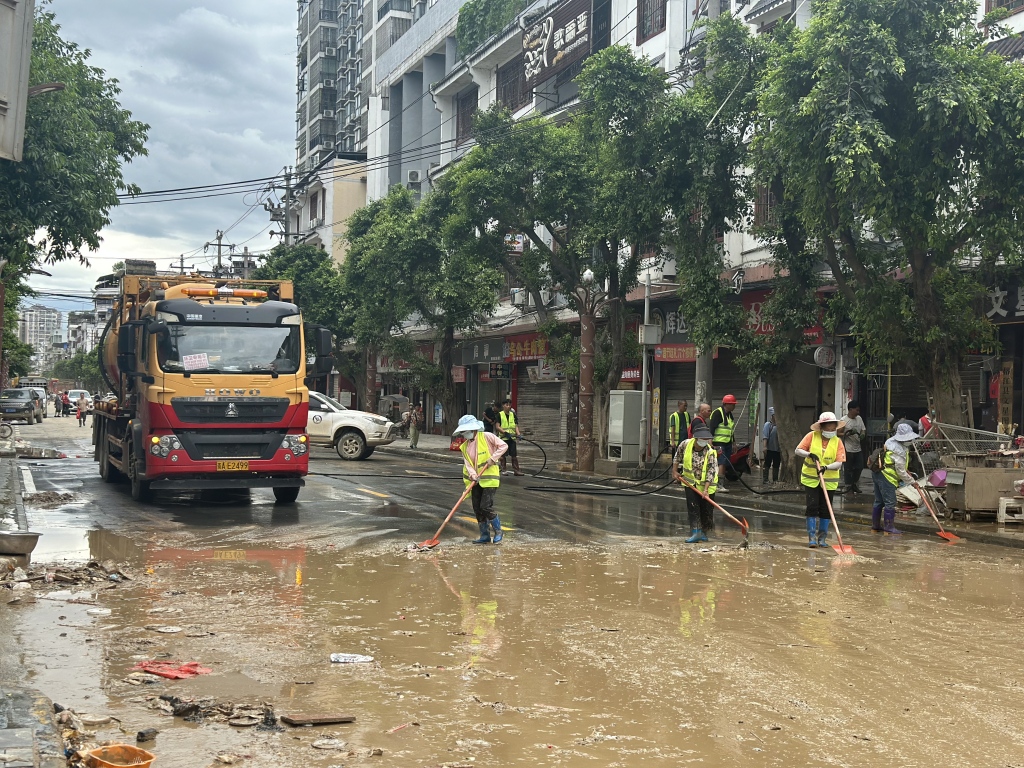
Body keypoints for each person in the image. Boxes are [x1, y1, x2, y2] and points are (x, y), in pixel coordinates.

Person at [453, 414, 508, 544]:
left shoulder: (487, 437)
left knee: (485, 506)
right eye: (463, 432)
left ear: (473, 429)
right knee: (477, 508)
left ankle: (499, 532)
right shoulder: (464, 447)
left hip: (489, 479)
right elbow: (468, 464)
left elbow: (503, 446)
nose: (464, 434)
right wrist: (473, 475)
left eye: (466, 432)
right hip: (476, 480)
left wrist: (493, 458)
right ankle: (484, 535)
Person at [794, 411, 847, 548]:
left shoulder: (838, 442)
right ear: (822, 427)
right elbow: (798, 450)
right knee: (812, 507)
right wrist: (809, 454)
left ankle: (822, 538)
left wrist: (826, 468)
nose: (830, 430)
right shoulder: (811, 436)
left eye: (833, 427)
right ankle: (811, 537)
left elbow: (839, 463)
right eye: (828, 427)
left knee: (825, 509)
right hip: (811, 479)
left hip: (829, 482)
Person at [673, 424, 719, 543]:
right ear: (696, 438)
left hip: (707, 486)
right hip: (690, 483)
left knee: (706, 510)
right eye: (702, 439)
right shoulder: (686, 444)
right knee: (693, 507)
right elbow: (677, 457)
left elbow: (711, 471)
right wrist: (675, 472)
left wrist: (706, 491)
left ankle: (704, 532)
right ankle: (696, 532)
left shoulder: (710, 452)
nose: (705, 441)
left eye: (706, 439)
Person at [873, 422, 918, 535]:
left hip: (878, 473)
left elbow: (898, 465)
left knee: (879, 501)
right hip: (887, 477)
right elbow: (900, 472)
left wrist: (905, 470)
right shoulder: (899, 451)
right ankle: (888, 527)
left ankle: (875, 527)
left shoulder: (890, 442)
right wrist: (912, 482)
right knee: (890, 503)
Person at [709, 395, 737, 492]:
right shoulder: (718, 413)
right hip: (718, 442)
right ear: (726, 404)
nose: (734, 406)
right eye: (732, 404)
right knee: (721, 462)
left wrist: (733, 442)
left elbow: (730, 430)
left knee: (724, 463)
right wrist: (710, 442)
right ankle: (718, 485)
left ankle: (720, 483)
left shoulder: (729, 415)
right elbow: (711, 428)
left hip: (727, 442)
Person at [842, 400, 866, 494]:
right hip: (848, 449)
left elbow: (863, 429)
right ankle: (848, 486)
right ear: (850, 410)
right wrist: (848, 433)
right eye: (856, 410)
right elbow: (838, 433)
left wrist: (863, 434)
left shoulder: (859, 419)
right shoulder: (843, 420)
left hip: (858, 448)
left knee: (859, 467)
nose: (858, 412)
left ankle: (854, 484)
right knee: (848, 468)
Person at [496, 397, 524, 476]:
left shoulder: (513, 415)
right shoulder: (500, 415)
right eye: (506, 405)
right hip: (503, 438)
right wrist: (505, 432)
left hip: (512, 438)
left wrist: (518, 434)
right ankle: (503, 469)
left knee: (514, 455)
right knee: (503, 455)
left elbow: (516, 426)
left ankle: (516, 470)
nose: (508, 406)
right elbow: (498, 426)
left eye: (509, 405)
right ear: (503, 406)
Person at [761, 407, 781, 484]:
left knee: (776, 464)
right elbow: (765, 437)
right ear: (772, 416)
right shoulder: (768, 425)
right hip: (769, 449)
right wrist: (765, 447)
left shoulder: (779, 426)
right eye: (775, 415)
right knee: (767, 463)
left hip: (777, 449)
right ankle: (765, 479)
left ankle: (775, 479)